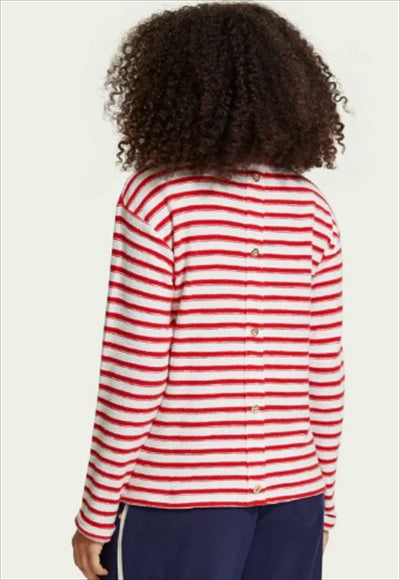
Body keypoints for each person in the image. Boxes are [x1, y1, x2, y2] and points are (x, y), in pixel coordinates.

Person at [71, 2, 349, 579]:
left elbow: (136, 368)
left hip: (180, 504)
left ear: (169, 89)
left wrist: (95, 513)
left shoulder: (156, 199)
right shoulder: (311, 209)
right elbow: (324, 374)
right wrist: (324, 502)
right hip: (295, 499)